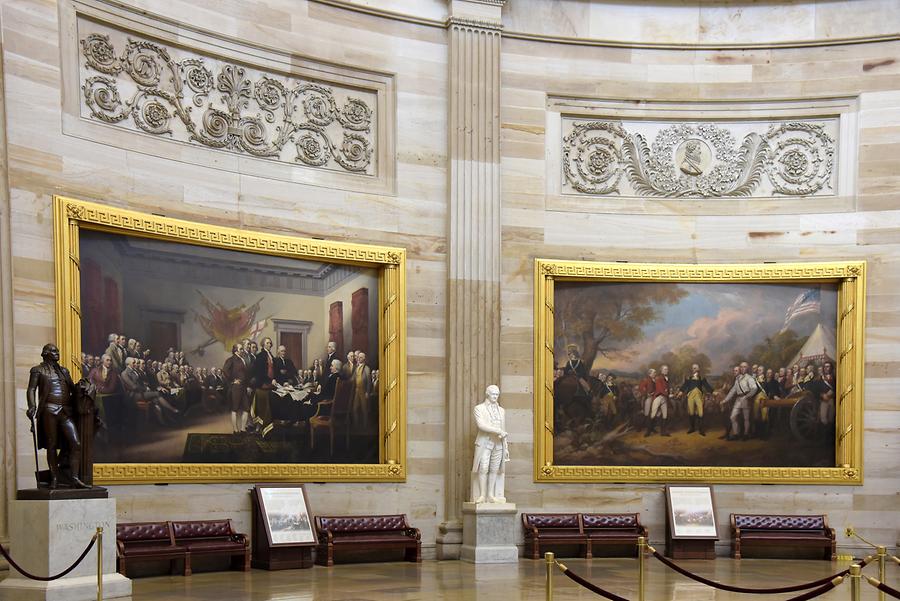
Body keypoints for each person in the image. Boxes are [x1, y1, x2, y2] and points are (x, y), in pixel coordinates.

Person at [26, 343, 92, 489]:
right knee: (52, 444)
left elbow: (72, 388)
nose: (57, 353)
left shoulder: (64, 371)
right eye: (54, 351)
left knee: (76, 443)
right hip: (49, 409)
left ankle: (74, 478)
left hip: (65, 411)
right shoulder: (38, 370)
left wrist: (82, 387)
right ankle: (54, 477)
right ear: (45, 353)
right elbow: (31, 389)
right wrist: (32, 406)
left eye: (57, 351)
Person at [470, 385, 509, 504]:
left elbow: (503, 428)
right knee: (483, 467)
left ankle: (491, 495)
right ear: (487, 394)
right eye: (493, 394)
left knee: (494, 469)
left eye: (497, 394)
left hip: (498, 444)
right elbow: (481, 425)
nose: (495, 397)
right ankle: (482, 495)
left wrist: (506, 447)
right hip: (484, 443)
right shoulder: (479, 408)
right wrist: (498, 431)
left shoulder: (501, 410)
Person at [721, 362, 758, 440]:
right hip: (738, 399)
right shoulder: (738, 379)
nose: (742, 368)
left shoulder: (749, 378)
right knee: (733, 417)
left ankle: (746, 434)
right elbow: (732, 391)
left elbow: (754, 389)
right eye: (741, 367)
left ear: (747, 368)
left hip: (746, 399)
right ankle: (736, 434)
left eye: (744, 367)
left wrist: (747, 396)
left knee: (746, 418)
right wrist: (725, 400)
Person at [223, 344, 250, 433]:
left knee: (246, 408)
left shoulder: (243, 359)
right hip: (236, 388)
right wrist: (232, 381)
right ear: (236, 351)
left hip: (244, 387)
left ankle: (242, 429)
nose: (242, 350)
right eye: (241, 349)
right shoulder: (231, 360)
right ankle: (235, 429)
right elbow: (225, 371)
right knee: (235, 408)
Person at [680, 363, 713, 436]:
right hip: (690, 396)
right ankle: (692, 428)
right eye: (693, 368)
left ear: (698, 369)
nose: (694, 369)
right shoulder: (688, 378)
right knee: (691, 412)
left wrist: (712, 391)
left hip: (699, 396)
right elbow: (684, 386)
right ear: (692, 369)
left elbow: (707, 386)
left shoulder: (701, 378)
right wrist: (680, 392)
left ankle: (701, 430)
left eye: (695, 368)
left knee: (700, 412)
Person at [646, 365, 671, 437]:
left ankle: (663, 432)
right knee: (653, 414)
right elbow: (660, 389)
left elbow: (667, 388)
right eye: (665, 369)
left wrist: (668, 393)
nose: (666, 370)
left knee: (665, 415)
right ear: (661, 370)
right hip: (658, 397)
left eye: (667, 369)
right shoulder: (658, 378)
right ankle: (648, 431)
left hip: (664, 398)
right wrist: (667, 393)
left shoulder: (667, 378)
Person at [351, 351, 373, 431]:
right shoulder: (356, 367)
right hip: (357, 391)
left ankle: (365, 426)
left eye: (361, 357)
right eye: (358, 357)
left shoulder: (367, 368)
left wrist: (367, 392)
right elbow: (352, 379)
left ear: (364, 359)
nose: (358, 358)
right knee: (354, 408)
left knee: (364, 409)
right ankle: (356, 426)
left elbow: (369, 381)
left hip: (363, 391)